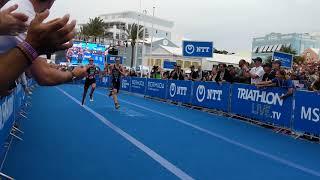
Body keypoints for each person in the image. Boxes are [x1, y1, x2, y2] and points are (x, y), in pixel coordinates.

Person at [0, 0, 87, 88]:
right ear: (51, 2)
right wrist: (73, 74)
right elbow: (45, 75)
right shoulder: (26, 15)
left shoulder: (18, 5)